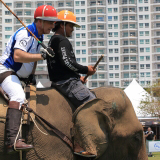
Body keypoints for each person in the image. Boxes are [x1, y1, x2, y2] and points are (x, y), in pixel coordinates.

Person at [0, 5, 60, 153]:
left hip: (19, 75)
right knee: (18, 95)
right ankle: (12, 141)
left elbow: (33, 60)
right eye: (50, 22)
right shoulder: (25, 33)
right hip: (5, 72)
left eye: (53, 23)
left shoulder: (39, 36)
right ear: (40, 22)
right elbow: (18, 56)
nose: (52, 25)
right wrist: (42, 55)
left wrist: (31, 76)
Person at [46, 10, 97, 157]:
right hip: (67, 83)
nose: (73, 29)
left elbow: (62, 66)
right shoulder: (62, 40)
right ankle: (83, 144)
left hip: (64, 80)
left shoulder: (53, 40)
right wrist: (85, 69)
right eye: (71, 26)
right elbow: (67, 62)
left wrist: (78, 77)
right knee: (92, 105)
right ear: (62, 25)